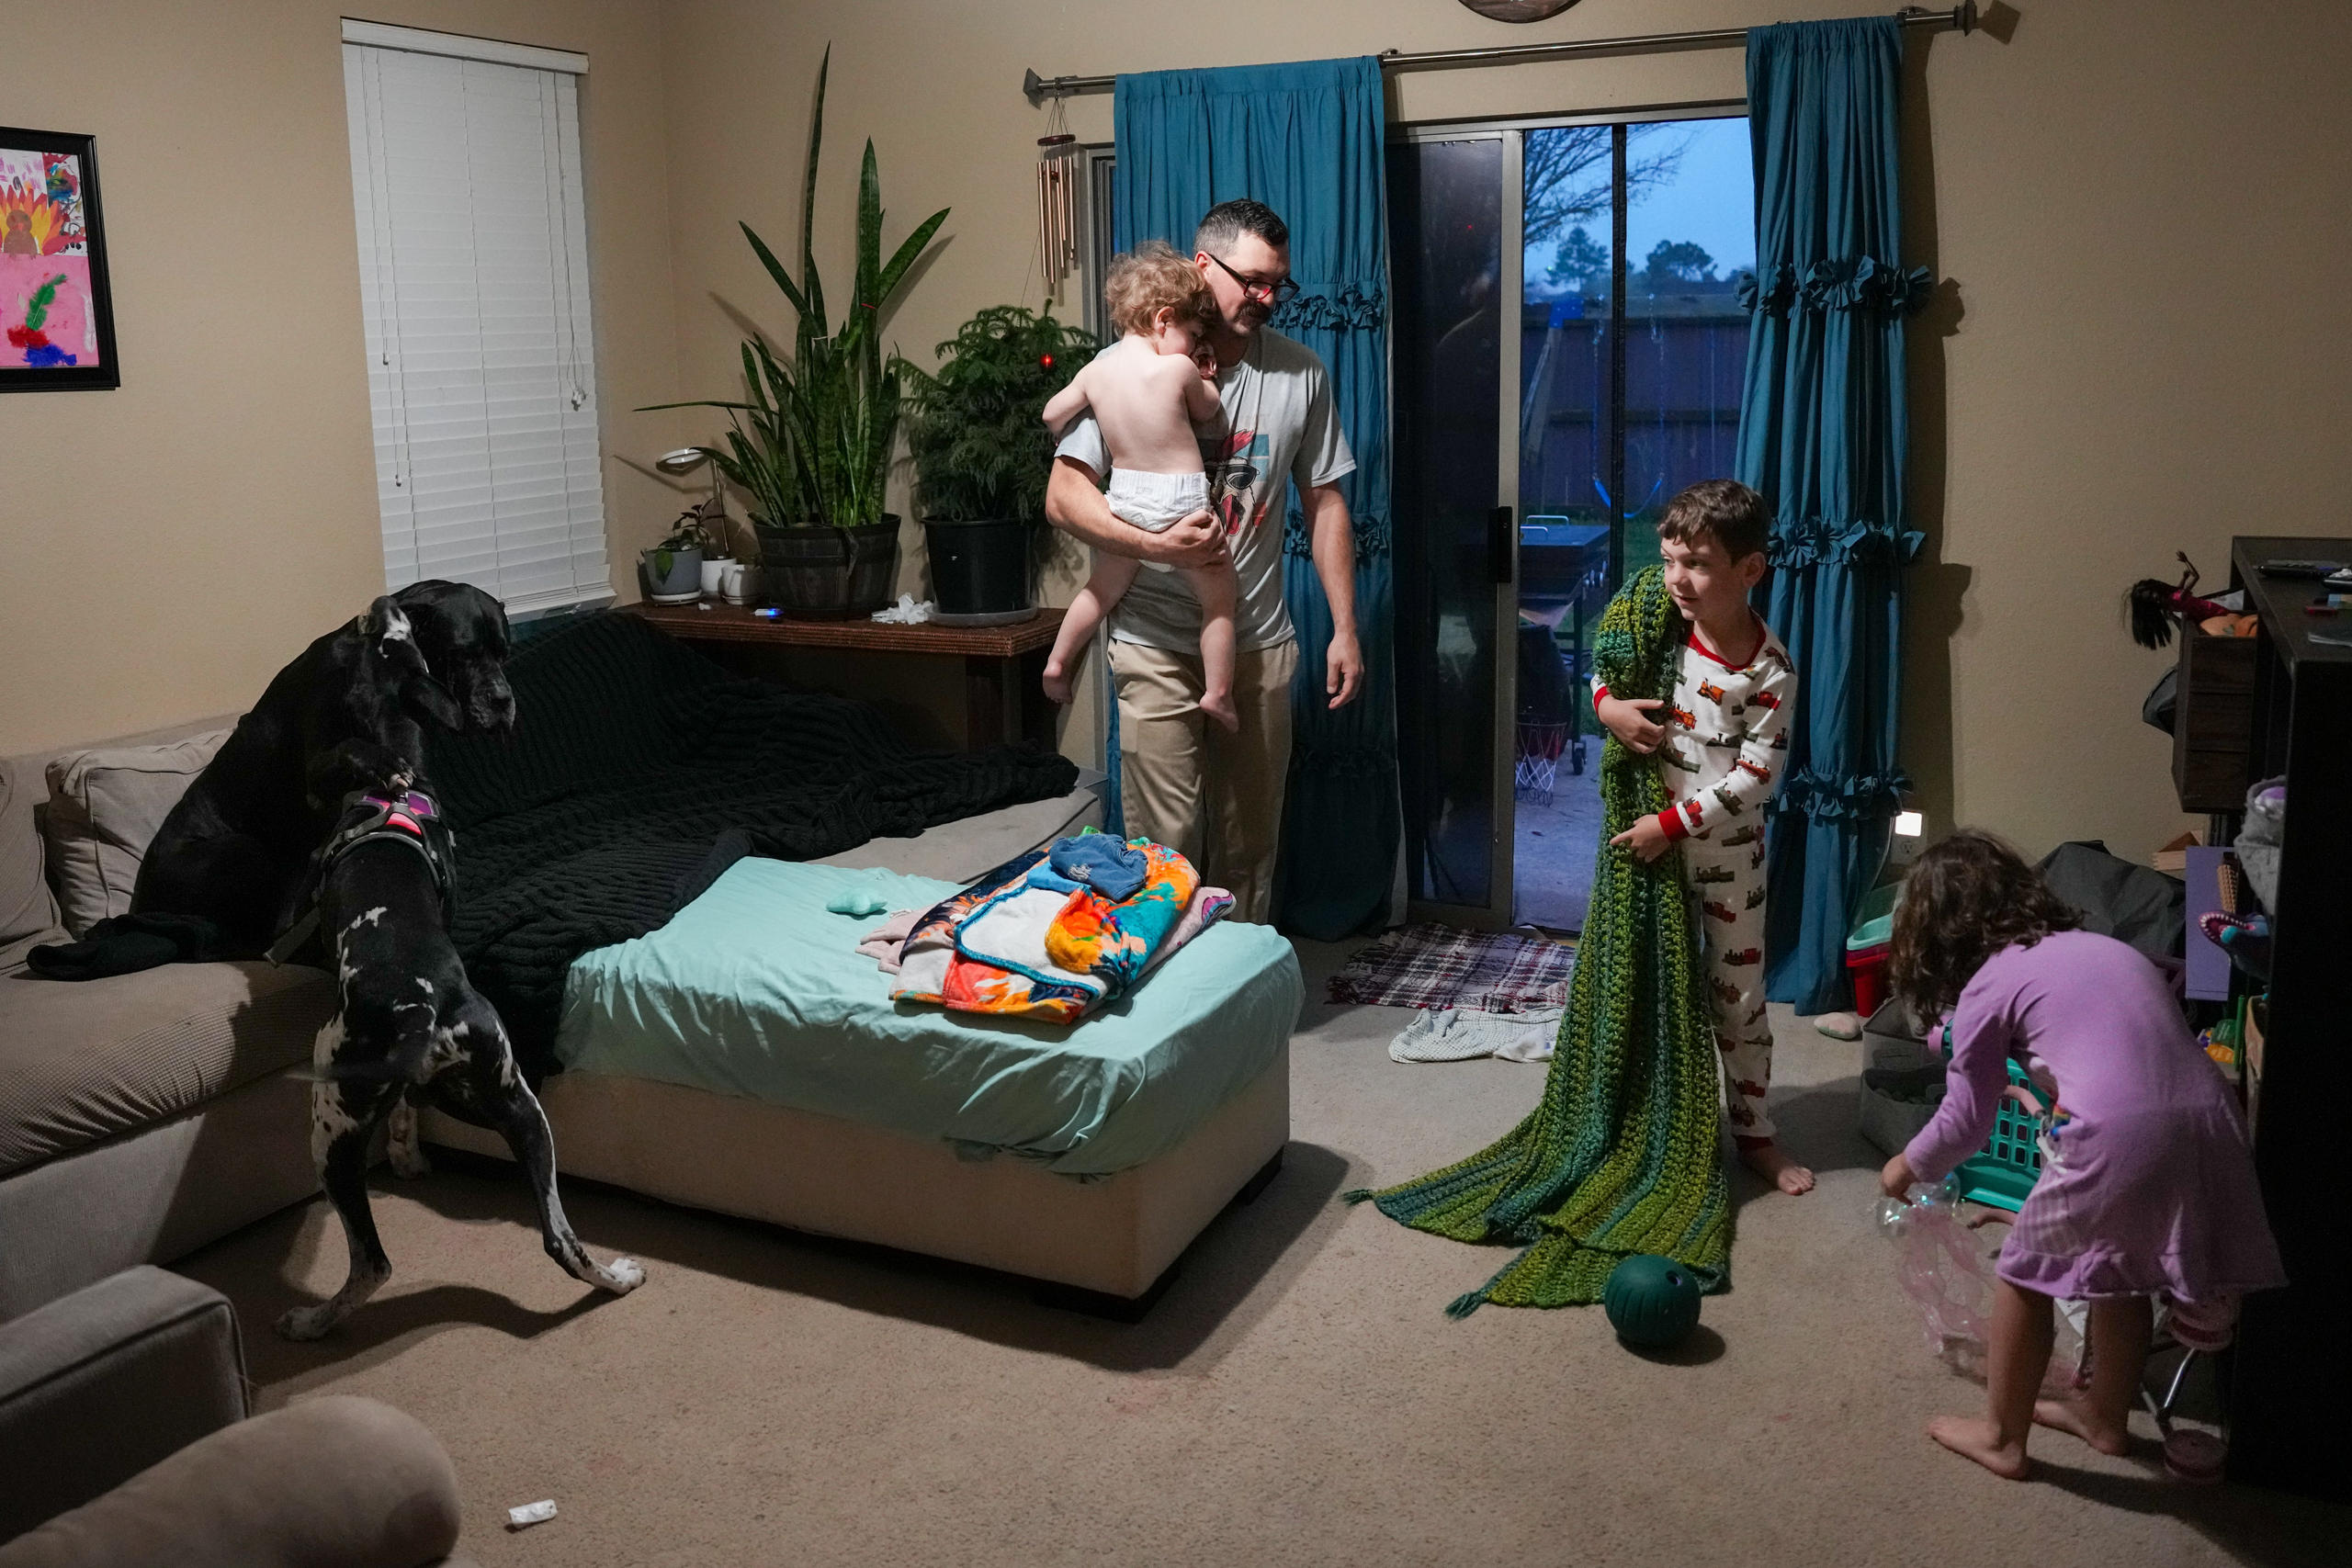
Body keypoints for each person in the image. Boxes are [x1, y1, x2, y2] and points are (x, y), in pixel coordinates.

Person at [1877, 830, 2285, 1481]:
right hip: (2212, 1116)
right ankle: (2103, 1418)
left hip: (2119, 1132)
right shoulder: (2100, 946)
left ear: (1935, 939)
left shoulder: (1987, 985)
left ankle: (2001, 1437)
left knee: (2023, 1274)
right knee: (2115, 1265)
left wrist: (1907, 1163)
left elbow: (1966, 1119)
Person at [1045, 198, 1363, 924]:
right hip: (1152, 642)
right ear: (1202, 265)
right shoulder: (1131, 361)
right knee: (1162, 852)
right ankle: (1163, 1014)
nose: (1267, 297)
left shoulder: (1301, 375)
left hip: (1257, 643)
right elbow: (1063, 496)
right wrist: (1155, 545)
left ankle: (1234, 1007)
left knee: (1250, 851)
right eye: (1252, 279)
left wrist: (1344, 626)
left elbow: (1326, 506)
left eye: (1277, 283)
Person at [1590, 479, 1813, 1196]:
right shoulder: (1657, 617)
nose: (1677, 579)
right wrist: (1609, 709)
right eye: (1668, 559)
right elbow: (1605, 665)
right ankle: (1645, 1122)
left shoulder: (1769, 671)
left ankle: (1755, 1133)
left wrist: (1671, 825)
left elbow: (1756, 778)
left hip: (1725, 857)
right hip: (1645, 841)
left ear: (1750, 570)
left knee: (1737, 996)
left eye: (1698, 564)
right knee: (1646, 984)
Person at [1040, 243, 1237, 730]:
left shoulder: (1095, 371)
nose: (1194, 345)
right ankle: (1218, 693)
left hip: (1125, 502)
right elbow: (1208, 411)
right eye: (1192, 334)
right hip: (1181, 503)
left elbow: (1051, 415)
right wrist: (1207, 375)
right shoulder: (1176, 368)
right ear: (1164, 319)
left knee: (1101, 590)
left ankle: (1058, 663)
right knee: (1219, 596)